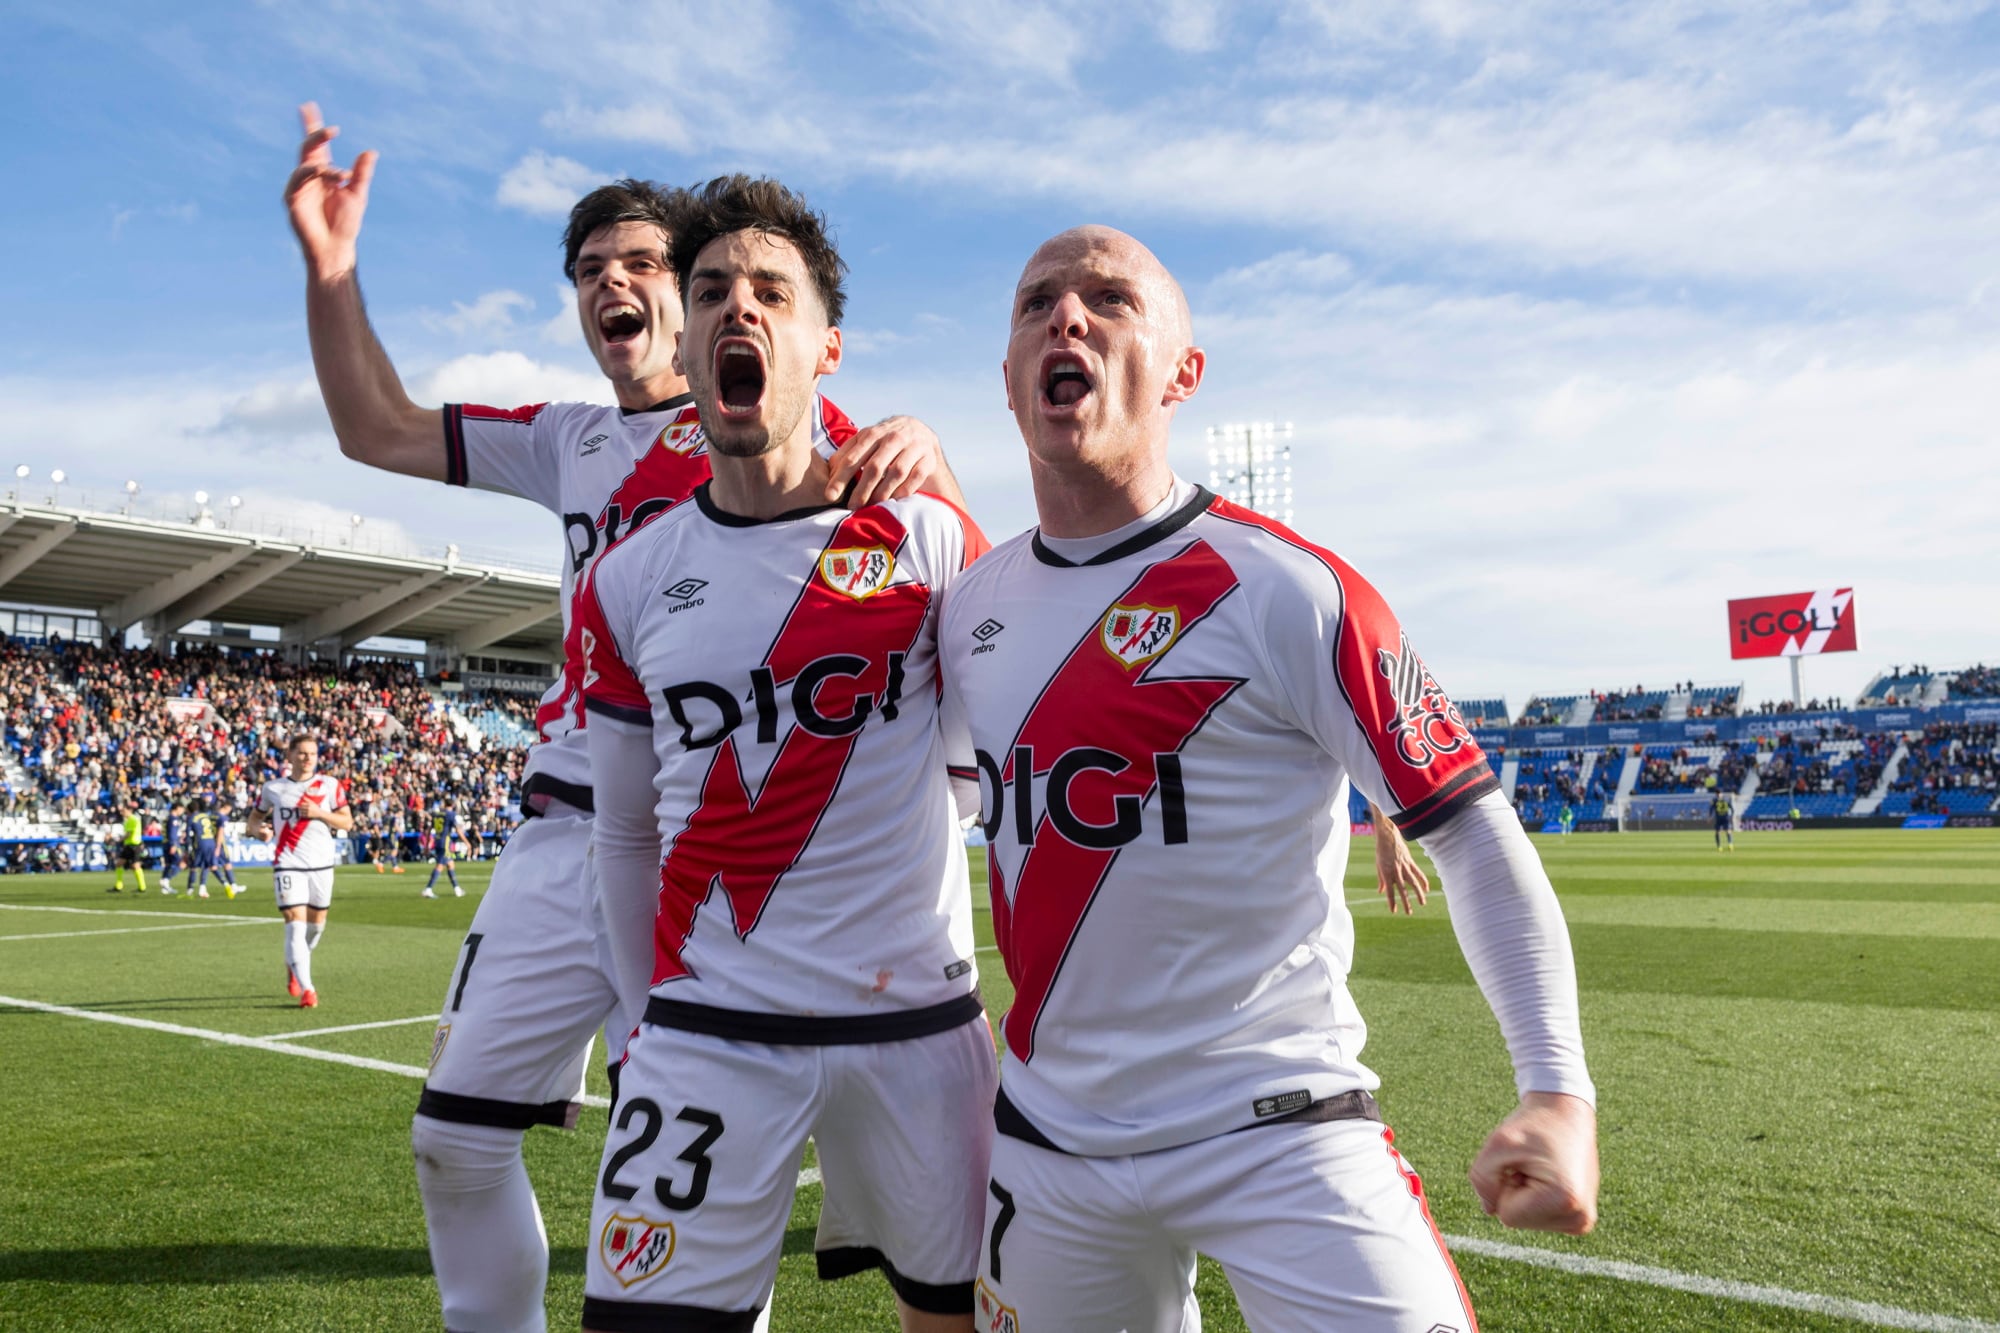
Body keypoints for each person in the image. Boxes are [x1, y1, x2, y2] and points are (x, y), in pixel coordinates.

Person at [285, 104, 962, 1333]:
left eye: (644, 263)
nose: (616, 284)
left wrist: (929, 445)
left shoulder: (813, 436)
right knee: (452, 1137)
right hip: (579, 823)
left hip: (746, 848)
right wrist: (333, 271)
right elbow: (371, 428)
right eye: (591, 270)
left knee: (752, 1165)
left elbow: (950, 571)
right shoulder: (570, 441)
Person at [941, 225, 1598, 1332]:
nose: (1067, 316)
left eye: (1109, 298)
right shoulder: (966, 609)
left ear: (1184, 373)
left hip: (1278, 1127)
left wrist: (1556, 1091)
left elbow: (1473, 834)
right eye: (1037, 301)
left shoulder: (1289, 591)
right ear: (1008, 378)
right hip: (1051, 1146)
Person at [577, 175, 994, 1333]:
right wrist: (634, 1021)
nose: (735, 310)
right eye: (708, 289)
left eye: (770, 291)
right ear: (685, 330)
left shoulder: (922, 534)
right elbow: (622, 830)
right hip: (704, 1031)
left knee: (949, 1320)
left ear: (826, 347)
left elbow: (1010, 737)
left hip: (914, 1029)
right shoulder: (628, 577)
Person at [246, 735, 353, 1009]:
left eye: (313, 754)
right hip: (288, 862)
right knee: (295, 925)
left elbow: (347, 822)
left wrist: (319, 813)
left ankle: (294, 964)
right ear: (290, 756)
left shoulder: (329, 785)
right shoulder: (274, 788)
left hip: (322, 864)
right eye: (302, 753)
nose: (307, 759)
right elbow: (255, 819)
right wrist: (258, 831)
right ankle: (308, 990)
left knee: (315, 929)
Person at [422, 802, 464, 899]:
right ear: (452, 805)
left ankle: (457, 889)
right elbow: (457, 830)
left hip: (437, 841)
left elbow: (428, 830)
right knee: (440, 866)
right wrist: (466, 842)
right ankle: (428, 889)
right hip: (445, 843)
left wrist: (427, 846)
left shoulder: (436, 814)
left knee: (450, 864)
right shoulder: (450, 814)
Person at [107, 808, 147, 893]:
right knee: (119, 864)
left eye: (123, 811)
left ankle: (142, 887)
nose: (122, 813)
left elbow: (129, 834)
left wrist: (119, 840)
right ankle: (119, 886)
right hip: (129, 845)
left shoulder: (132, 820)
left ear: (129, 811)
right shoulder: (129, 820)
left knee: (135, 866)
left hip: (134, 846)